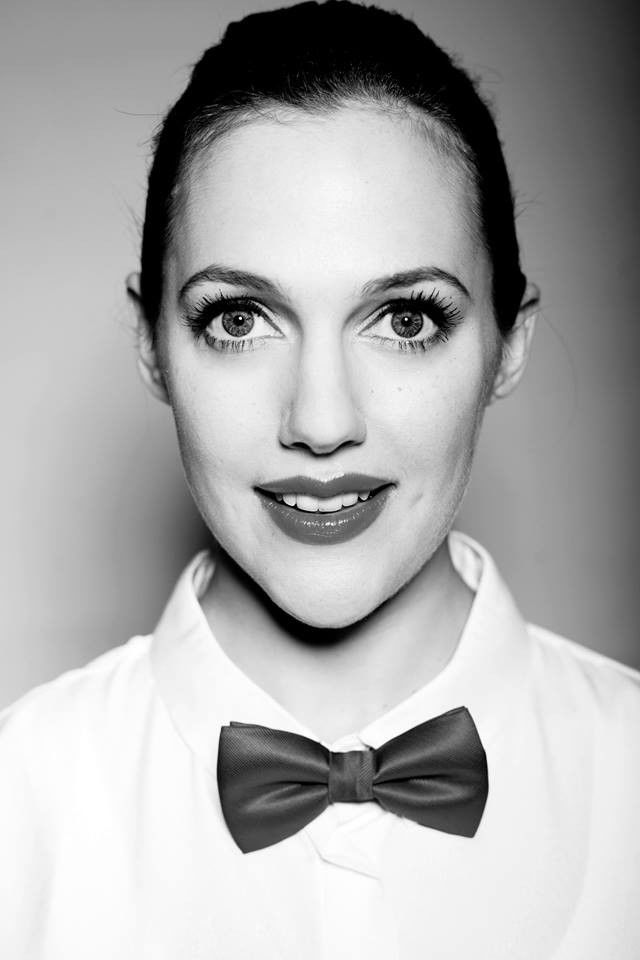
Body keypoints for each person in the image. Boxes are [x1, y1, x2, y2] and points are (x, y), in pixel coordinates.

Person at [1, 2, 638, 957]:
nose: (322, 421)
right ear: (152, 346)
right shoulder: (18, 805)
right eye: (239, 320)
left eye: (407, 319)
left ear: (509, 344)